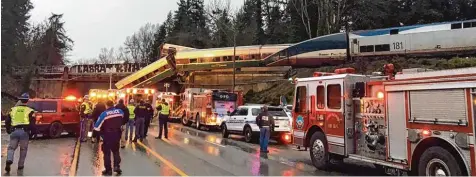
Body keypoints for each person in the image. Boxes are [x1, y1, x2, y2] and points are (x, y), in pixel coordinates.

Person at [5, 93, 36, 173]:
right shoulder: (30, 111)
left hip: (14, 131)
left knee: (11, 148)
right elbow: (32, 124)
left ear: (20, 100)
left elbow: (7, 120)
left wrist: (8, 129)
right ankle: (20, 166)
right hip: (24, 132)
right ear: (27, 100)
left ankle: (9, 160)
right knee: (23, 149)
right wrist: (33, 133)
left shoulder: (13, 109)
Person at [94, 100, 124, 175]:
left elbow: (97, 127)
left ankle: (108, 170)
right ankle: (117, 167)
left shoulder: (104, 114)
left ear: (106, 106)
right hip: (117, 134)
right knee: (116, 151)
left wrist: (99, 133)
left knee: (107, 153)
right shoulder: (120, 111)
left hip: (108, 135)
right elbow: (123, 118)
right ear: (113, 105)